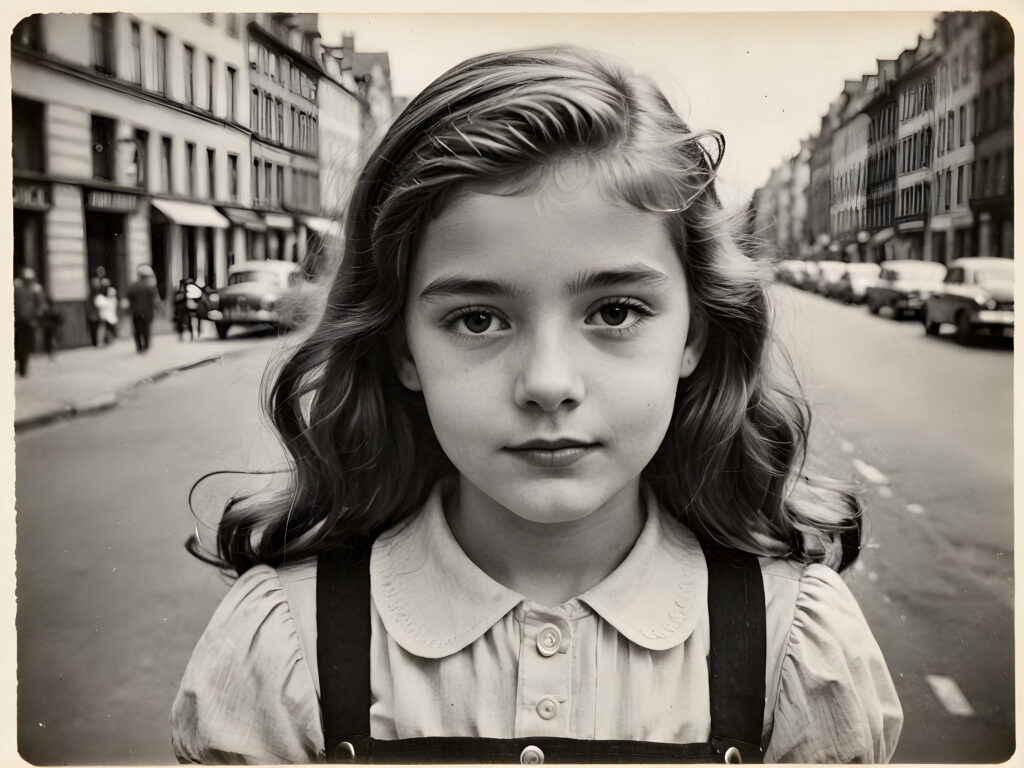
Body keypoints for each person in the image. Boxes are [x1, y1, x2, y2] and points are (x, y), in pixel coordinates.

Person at [171, 48, 903, 763]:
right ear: (401, 348)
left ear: (696, 335)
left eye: (615, 312)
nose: (549, 383)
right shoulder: (284, 647)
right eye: (478, 319)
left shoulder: (792, 647)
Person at [13, 267, 47, 376]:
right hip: (18, 320)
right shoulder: (17, 287)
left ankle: (23, 368)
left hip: (28, 320)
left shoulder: (36, 289)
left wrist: (35, 317)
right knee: (18, 344)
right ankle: (20, 366)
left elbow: (40, 306)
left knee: (25, 345)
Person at [126, 264, 158, 353]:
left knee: (137, 330)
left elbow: (129, 298)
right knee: (146, 329)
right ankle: (146, 346)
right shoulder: (150, 286)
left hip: (136, 312)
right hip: (147, 312)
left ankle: (139, 347)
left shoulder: (133, 286)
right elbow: (154, 300)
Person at [93, 279, 119, 345]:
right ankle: (100, 342)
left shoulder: (111, 295)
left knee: (109, 328)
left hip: (111, 315)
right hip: (104, 315)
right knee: (103, 328)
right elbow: (99, 304)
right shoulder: (100, 297)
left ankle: (109, 340)